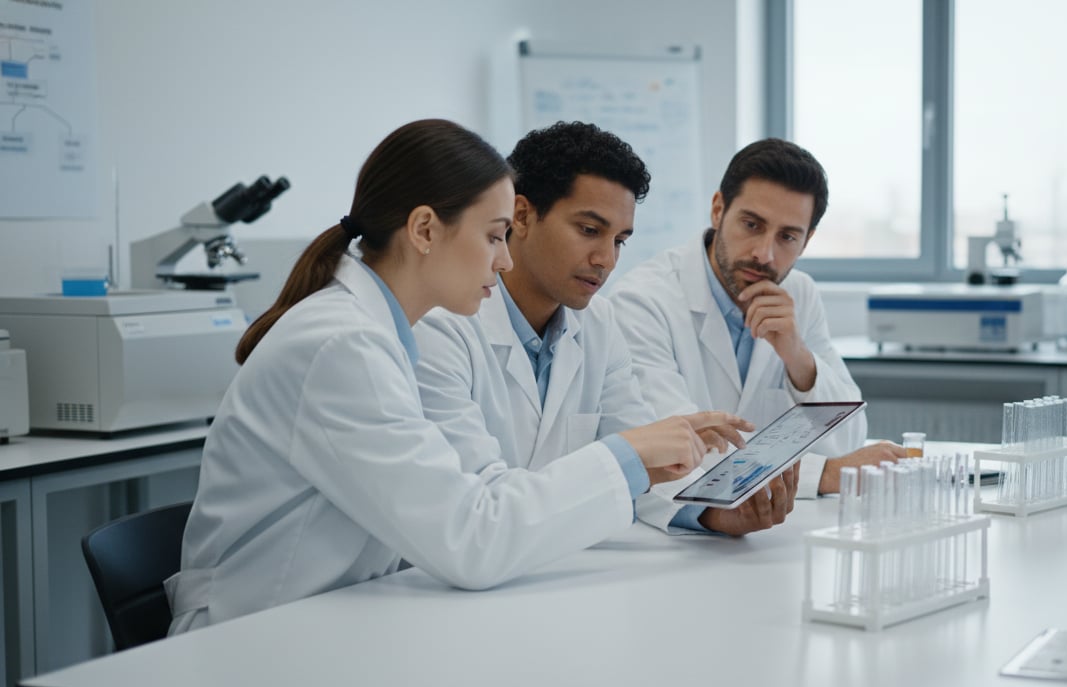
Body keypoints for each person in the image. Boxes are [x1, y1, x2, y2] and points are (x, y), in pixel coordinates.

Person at [166, 119, 731, 634]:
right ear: (424, 230)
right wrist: (625, 456)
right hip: (254, 636)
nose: (503, 260)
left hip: (343, 619)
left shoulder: (373, 332)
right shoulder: (344, 345)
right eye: (493, 236)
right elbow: (472, 537)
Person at [413, 121, 796, 536]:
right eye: (589, 231)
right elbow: (477, 505)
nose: (606, 260)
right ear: (521, 216)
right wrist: (630, 450)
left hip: (554, 562)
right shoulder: (441, 328)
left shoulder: (598, 323)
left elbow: (643, 469)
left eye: (619, 240)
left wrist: (712, 513)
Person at [608, 138, 904, 511]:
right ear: (718, 210)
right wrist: (826, 474)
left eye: (787, 237)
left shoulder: (799, 294)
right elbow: (673, 449)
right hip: (678, 532)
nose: (764, 254)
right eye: (752, 225)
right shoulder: (642, 302)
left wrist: (798, 358)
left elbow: (848, 437)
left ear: (807, 241)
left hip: (779, 528)